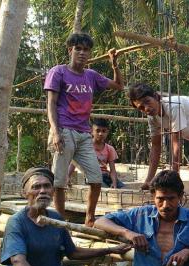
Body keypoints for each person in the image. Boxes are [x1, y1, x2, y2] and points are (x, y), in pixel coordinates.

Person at [1, 167, 130, 266]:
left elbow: (73, 251)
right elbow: (17, 259)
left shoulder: (55, 218)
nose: (42, 191)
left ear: (53, 191)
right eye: (36, 187)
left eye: (47, 186)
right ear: (24, 193)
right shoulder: (17, 222)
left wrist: (109, 250)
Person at [45, 32, 124, 226]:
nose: (82, 53)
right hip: (64, 130)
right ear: (70, 50)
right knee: (59, 181)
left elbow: (119, 86)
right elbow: (51, 104)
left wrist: (114, 63)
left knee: (96, 178)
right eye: (78, 49)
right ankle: (60, 221)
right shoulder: (58, 72)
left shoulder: (91, 76)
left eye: (86, 50)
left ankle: (89, 218)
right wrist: (55, 132)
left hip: (83, 133)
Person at [67, 118, 125, 189]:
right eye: (98, 131)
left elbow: (112, 170)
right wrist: (67, 177)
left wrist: (114, 183)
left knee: (124, 190)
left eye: (104, 131)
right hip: (91, 176)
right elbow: (74, 163)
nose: (100, 134)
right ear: (91, 131)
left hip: (106, 176)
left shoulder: (110, 149)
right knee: (100, 189)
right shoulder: (85, 146)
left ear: (107, 132)